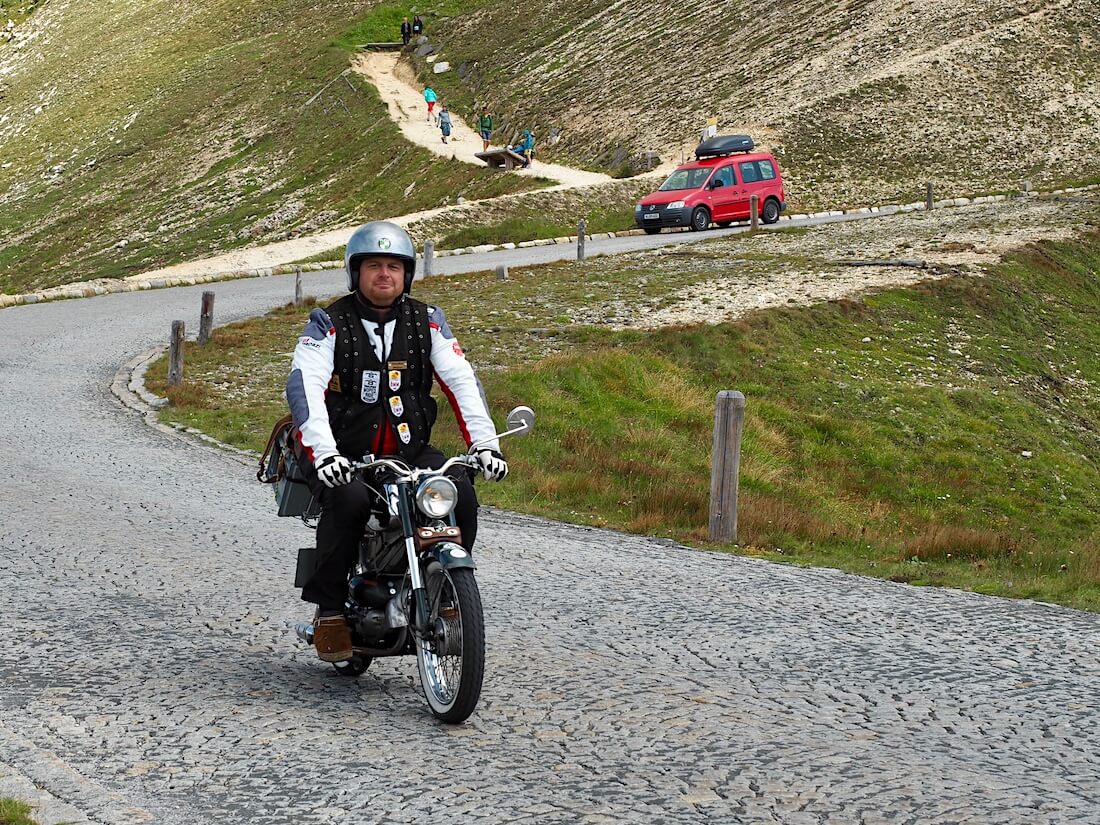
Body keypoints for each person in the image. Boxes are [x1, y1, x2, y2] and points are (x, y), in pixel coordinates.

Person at [286, 221, 508, 663]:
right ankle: (330, 610)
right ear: (355, 272)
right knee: (347, 502)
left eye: (393, 266)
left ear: (407, 273)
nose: (384, 274)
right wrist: (325, 453)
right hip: (344, 451)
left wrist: (486, 445)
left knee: (459, 493)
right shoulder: (329, 323)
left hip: (409, 450)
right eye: (373, 266)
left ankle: (445, 589)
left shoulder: (428, 322)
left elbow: (462, 381)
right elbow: (304, 387)